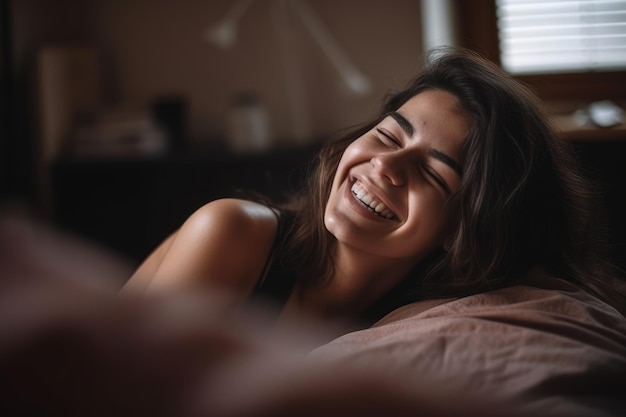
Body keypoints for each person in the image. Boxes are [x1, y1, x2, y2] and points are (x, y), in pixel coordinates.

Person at [124, 48, 625, 325]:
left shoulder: (431, 321)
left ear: (462, 226)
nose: (386, 167)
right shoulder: (231, 231)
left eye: (433, 172)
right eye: (388, 135)